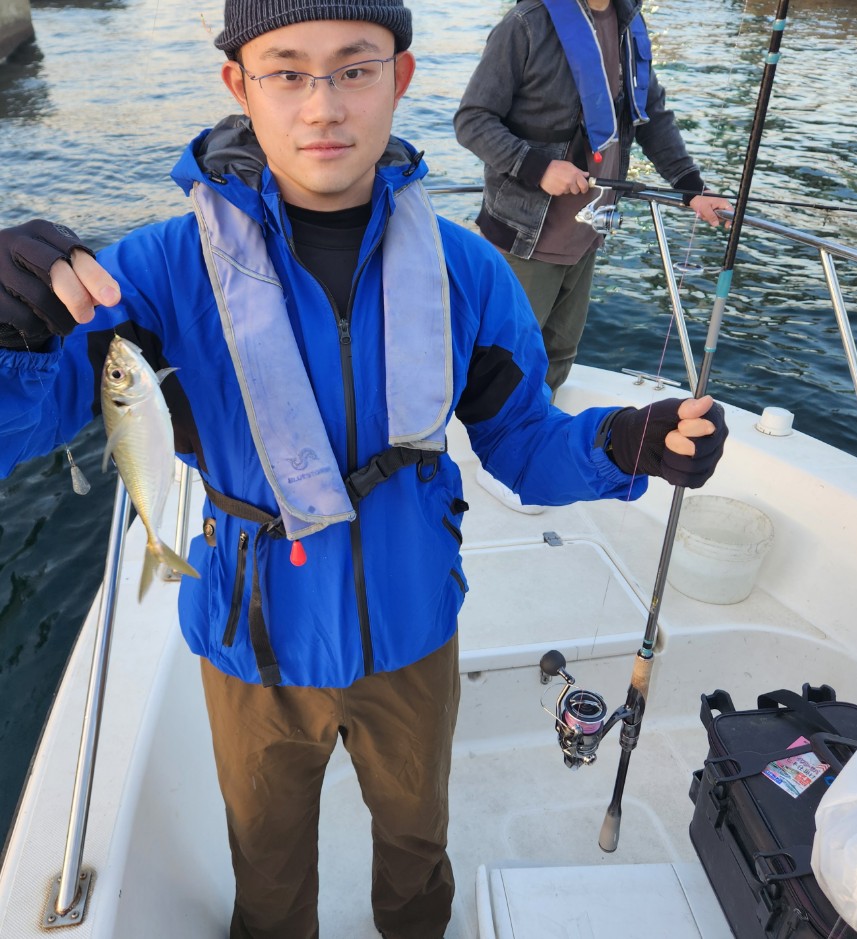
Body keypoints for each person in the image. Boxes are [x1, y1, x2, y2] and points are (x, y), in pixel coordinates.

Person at [0, 2, 728, 937]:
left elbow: (521, 442)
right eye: (286, 71)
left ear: (401, 77)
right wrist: (17, 337)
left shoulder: (468, 272)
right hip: (253, 648)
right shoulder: (155, 272)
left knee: (418, 848)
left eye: (354, 68)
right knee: (266, 872)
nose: (323, 106)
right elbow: (30, 418)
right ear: (238, 85)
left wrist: (622, 443)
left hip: (414, 632)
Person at [454, 0, 733, 513]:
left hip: (585, 233)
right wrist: (538, 167)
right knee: (512, 360)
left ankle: (536, 451)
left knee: (560, 349)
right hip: (525, 236)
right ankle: (502, 462)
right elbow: (472, 120)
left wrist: (691, 187)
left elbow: (652, 118)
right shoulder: (526, 24)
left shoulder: (628, 23)